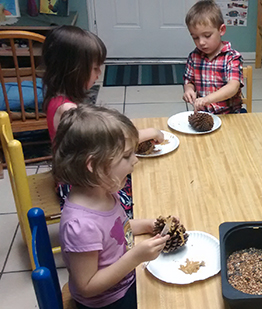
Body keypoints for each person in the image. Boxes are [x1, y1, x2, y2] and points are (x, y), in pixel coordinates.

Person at [53, 104, 170, 309]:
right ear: (93, 165)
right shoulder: (81, 226)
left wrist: (148, 225)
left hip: (124, 281)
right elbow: (86, 286)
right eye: (126, 156)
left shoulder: (103, 191)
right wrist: (135, 257)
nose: (135, 160)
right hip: (108, 301)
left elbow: (115, 228)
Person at [42, 25, 164, 216]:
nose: (99, 73)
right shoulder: (68, 110)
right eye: (94, 68)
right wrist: (152, 132)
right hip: (79, 184)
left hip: (75, 172)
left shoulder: (57, 97)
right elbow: (110, 145)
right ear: (73, 70)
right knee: (143, 194)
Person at [183, 0, 244, 114]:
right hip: (204, 114)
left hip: (230, 114)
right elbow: (189, 81)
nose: (201, 42)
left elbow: (233, 87)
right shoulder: (194, 57)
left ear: (221, 30)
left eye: (207, 36)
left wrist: (208, 99)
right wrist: (189, 90)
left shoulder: (231, 57)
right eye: (195, 37)